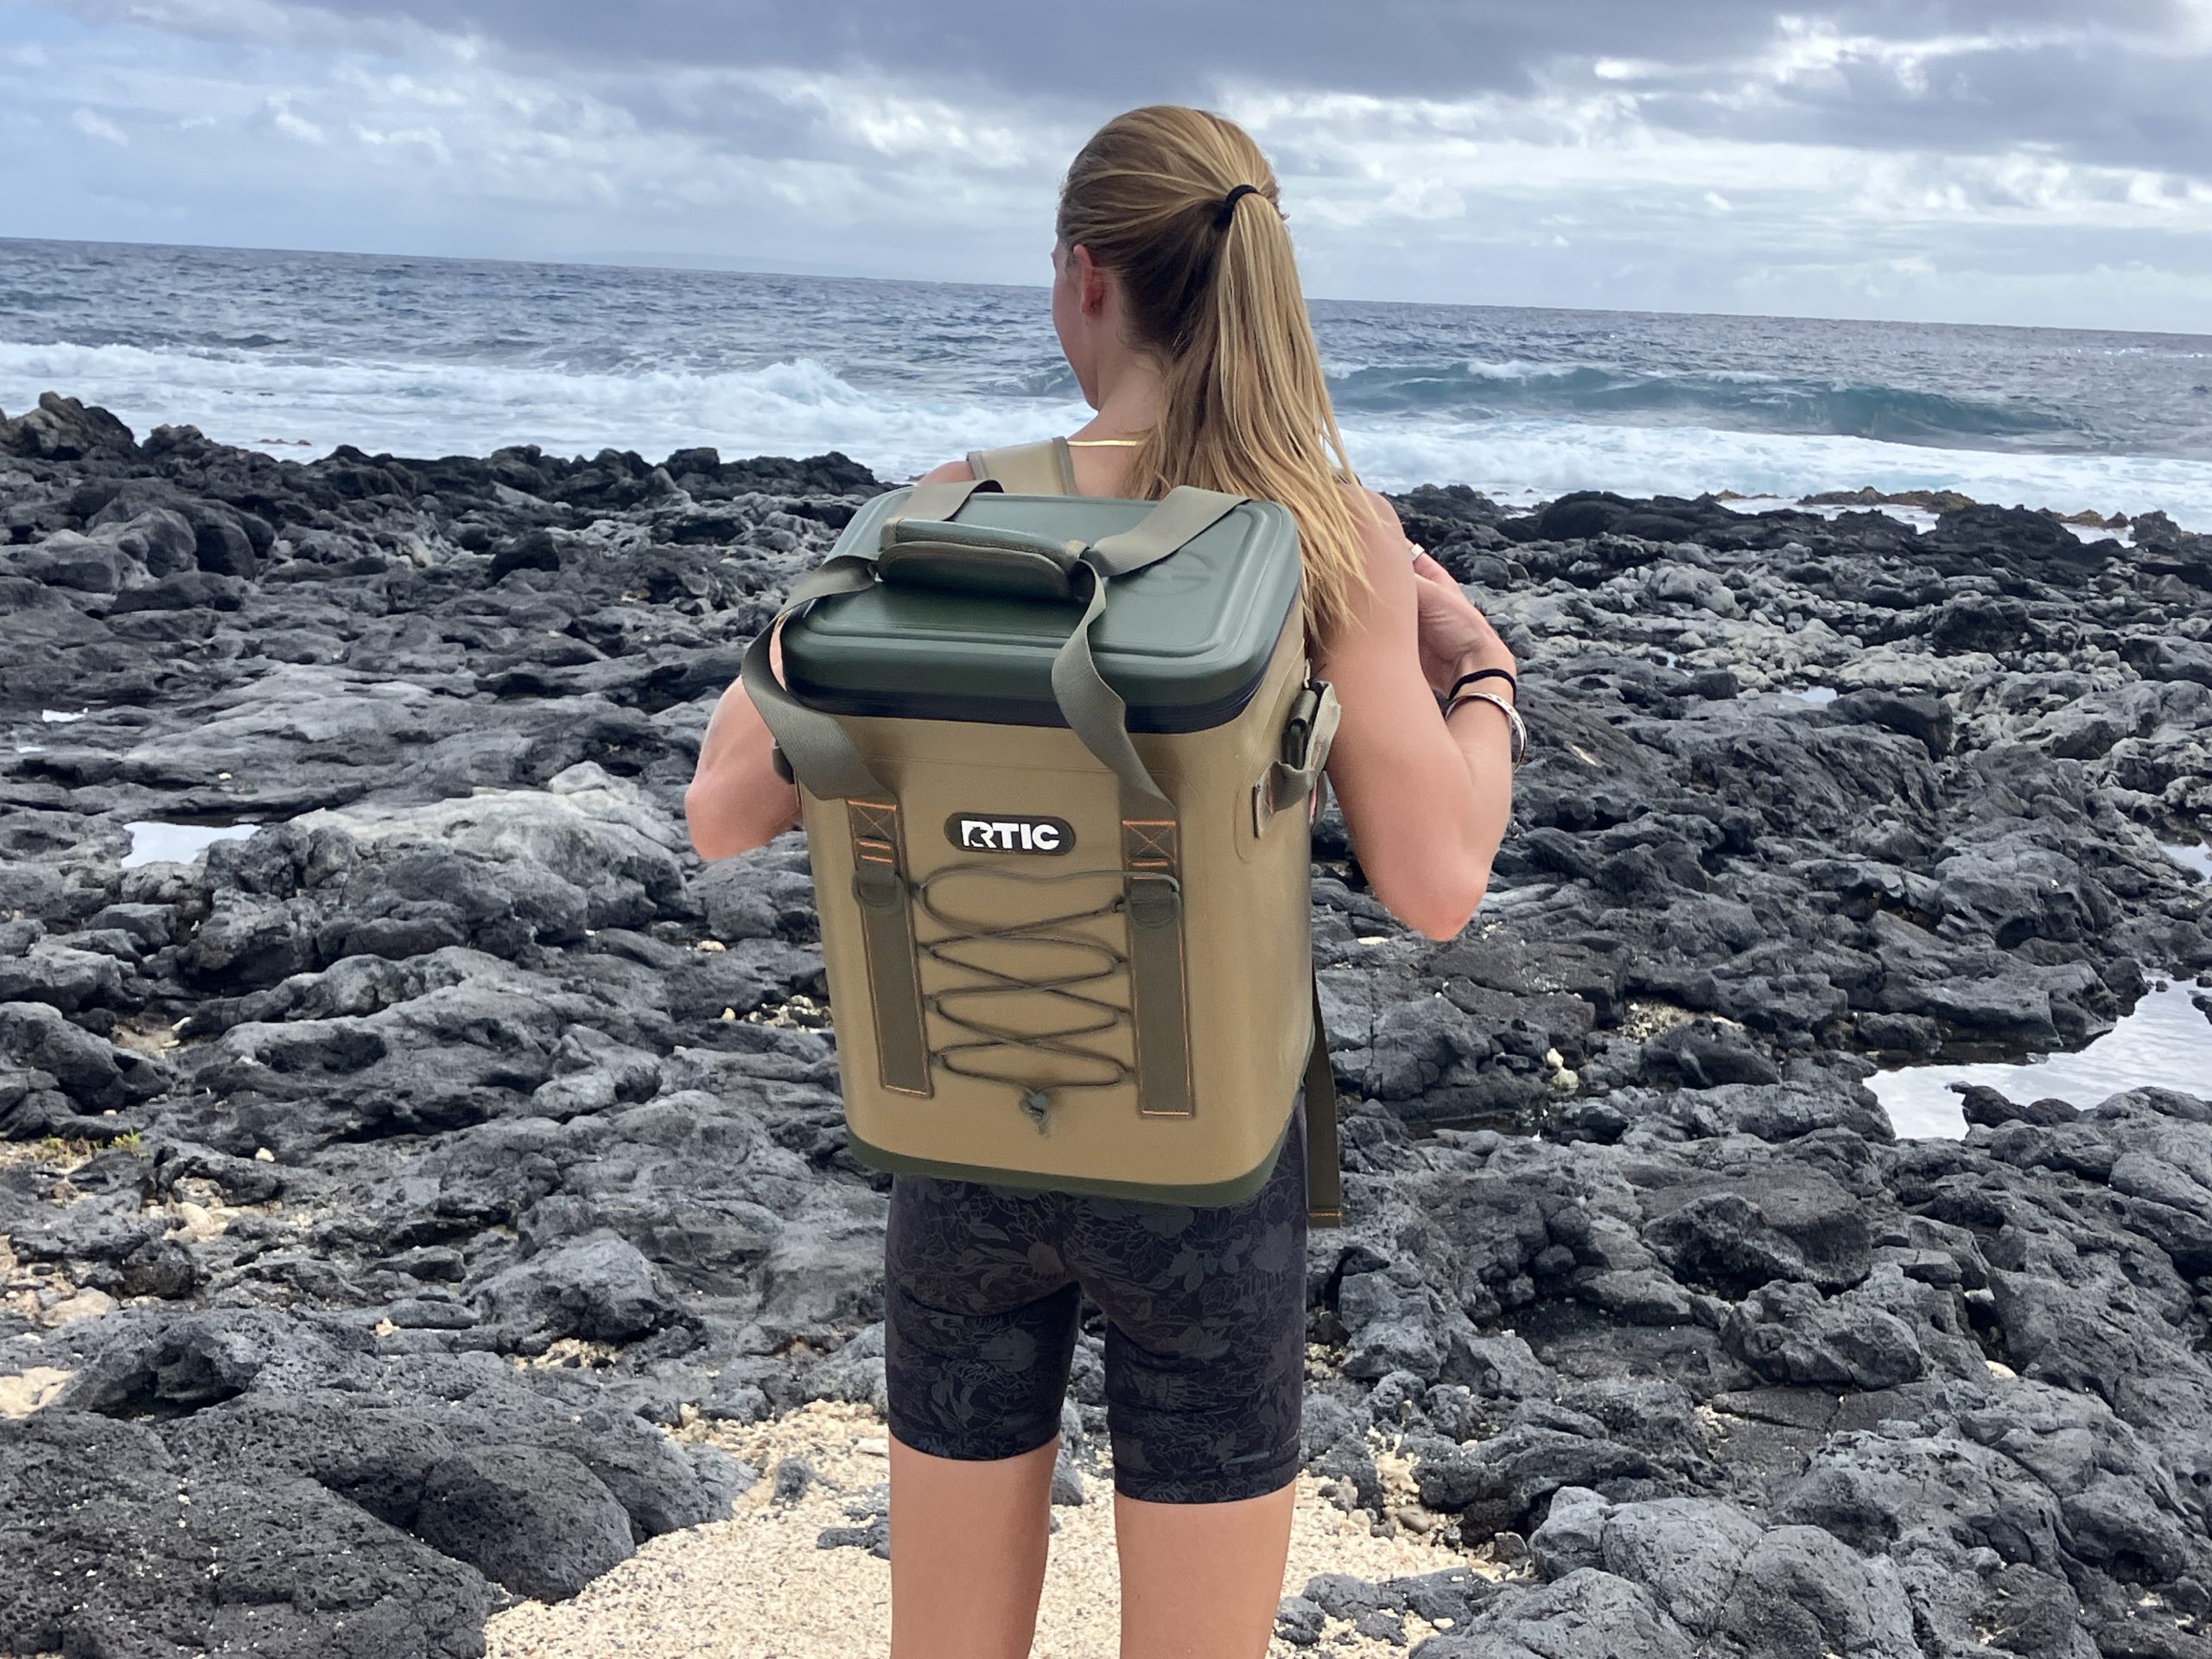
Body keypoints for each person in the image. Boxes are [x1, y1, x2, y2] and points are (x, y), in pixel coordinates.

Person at [685, 104, 1518, 1659]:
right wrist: (1480, 674)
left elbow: (726, 811)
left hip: (964, 1130)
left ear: (1083, 278)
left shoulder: (938, 517)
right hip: (1204, 1166)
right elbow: (1438, 881)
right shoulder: (1325, 538)